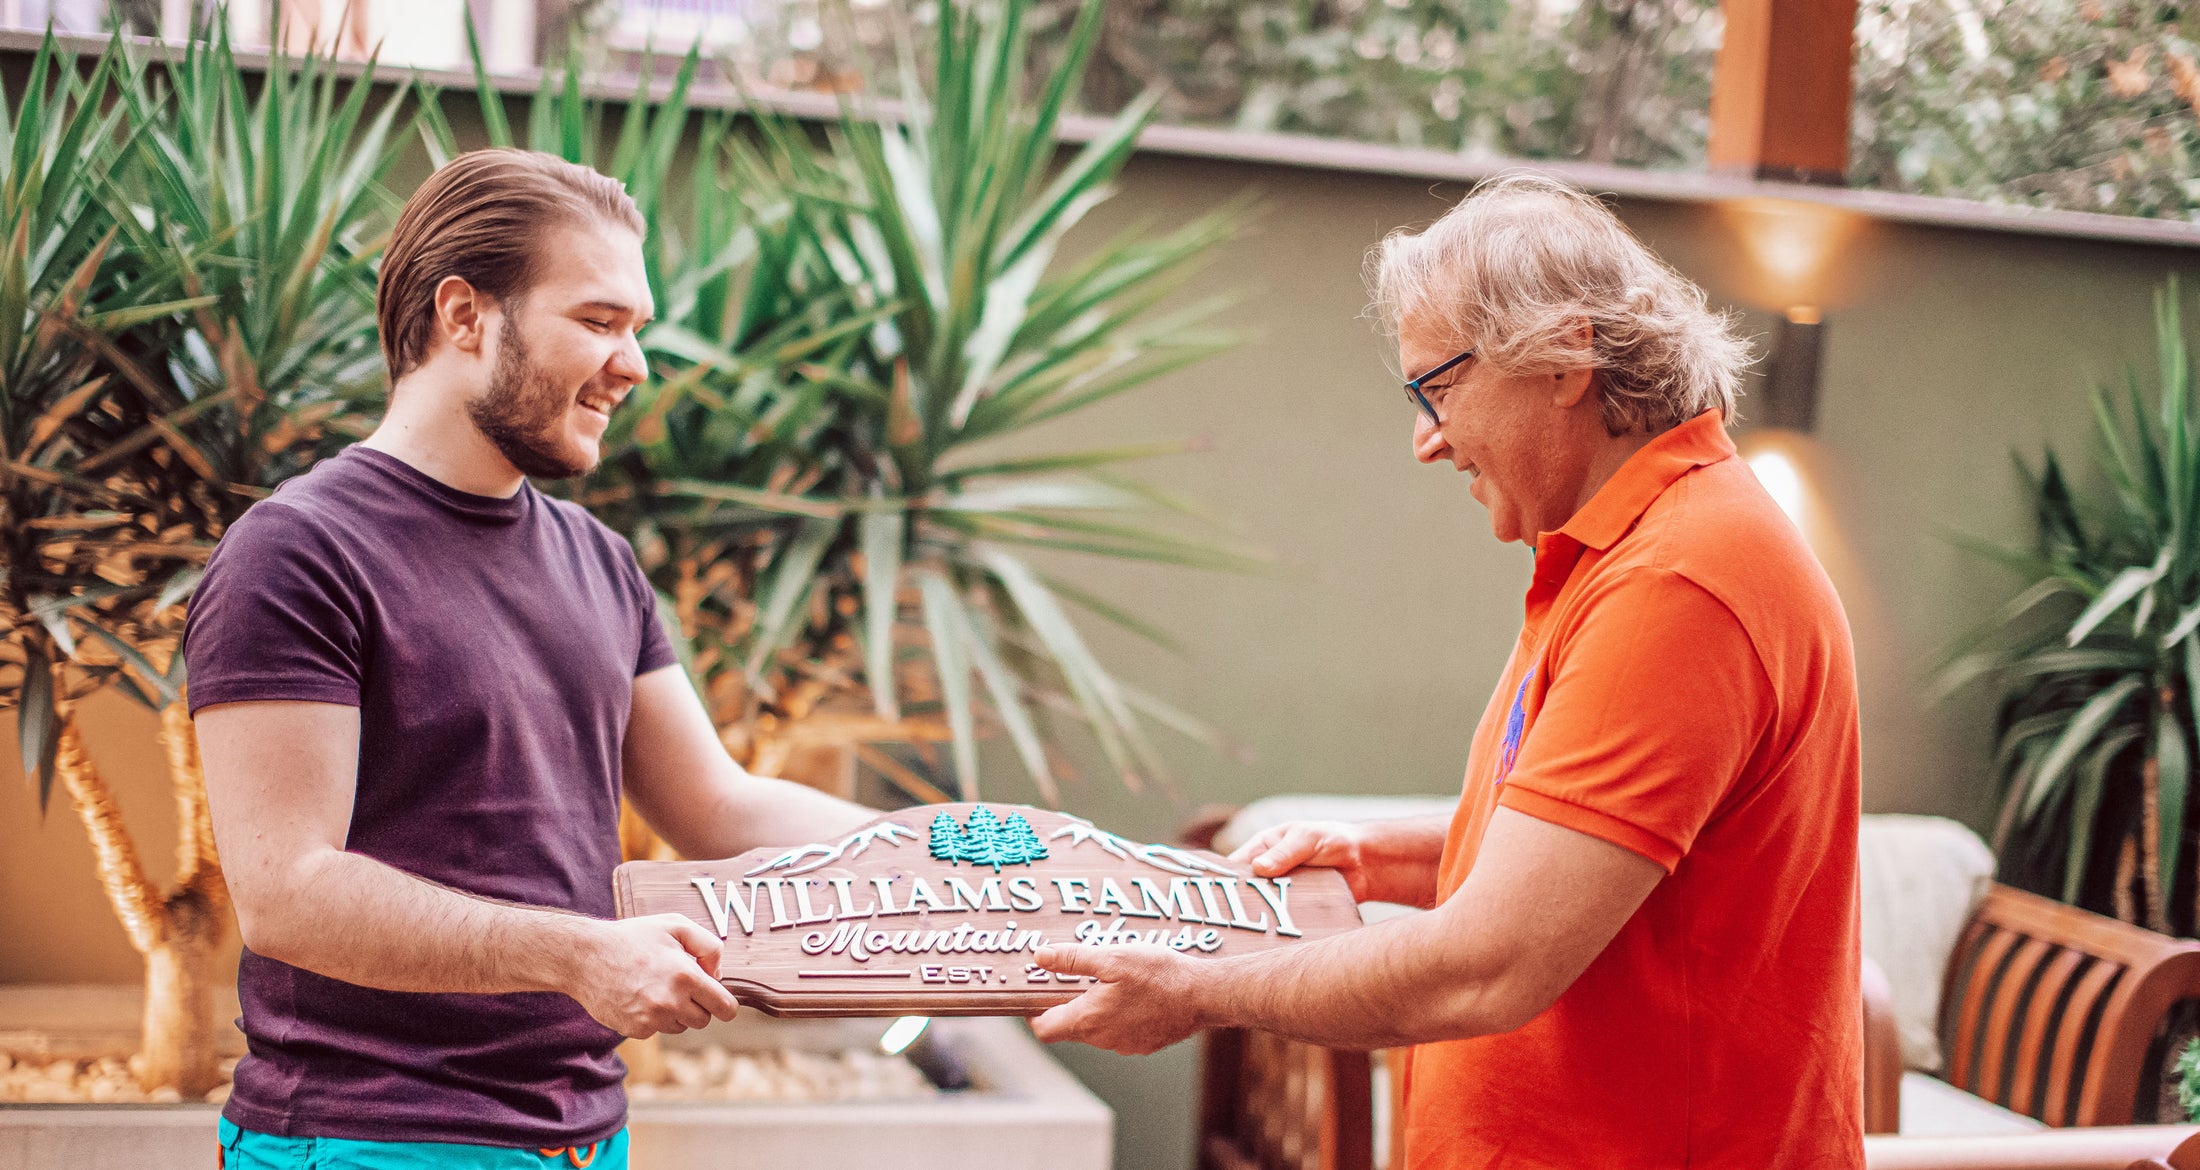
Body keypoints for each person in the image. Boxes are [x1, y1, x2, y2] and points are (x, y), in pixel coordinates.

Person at [1032, 174, 1864, 1169]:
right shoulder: (1632, 550)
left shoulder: (1680, 582)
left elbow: (1489, 966)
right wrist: (1380, 856)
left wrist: (1195, 990)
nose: (1425, 440)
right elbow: (1587, 860)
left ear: (1565, 354)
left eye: (1437, 386)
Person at [186, 149, 878, 1169]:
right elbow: (288, 892)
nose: (635, 364)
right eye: (598, 323)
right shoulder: (297, 552)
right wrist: (575, 953)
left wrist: (962, 852)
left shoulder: (598, 560)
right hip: (370, 1141)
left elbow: (720, 810)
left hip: (583, 1140)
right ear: (463, 314)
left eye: (636, 330)